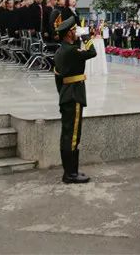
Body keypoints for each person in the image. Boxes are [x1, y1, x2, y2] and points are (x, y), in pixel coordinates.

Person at [53, 17, 96, 184]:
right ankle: (70, 174)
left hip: (67, 94)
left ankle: (71, 171)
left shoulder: (60, 50)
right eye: (74, 30)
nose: (76, 32)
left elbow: (58, 78)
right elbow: (92, 52)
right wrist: (86, 38)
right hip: (74, 95)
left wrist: (62, 93)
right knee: (72, 136)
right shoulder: (71, 51)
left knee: (68, 134)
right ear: (69, 33)